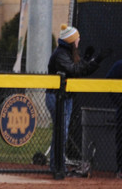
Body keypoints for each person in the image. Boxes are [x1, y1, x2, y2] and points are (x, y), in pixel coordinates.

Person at [46, 25, 103, 177]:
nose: (79, 40)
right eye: (77, 38)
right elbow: (75, 70)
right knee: (61, 132)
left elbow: (81, 71)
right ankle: (57, 166)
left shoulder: (68, 53)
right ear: (71, 40)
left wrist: (95, 61)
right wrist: (86, 60)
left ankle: (57, 165)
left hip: (66, 98)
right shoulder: (61, 54)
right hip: (57, 97)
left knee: (62, 132)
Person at [106, 59, 122, 179]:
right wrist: (120, 102)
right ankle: (120, 170)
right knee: (121, 141)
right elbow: (108, 81)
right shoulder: (119, 65)